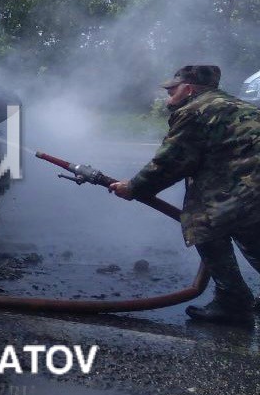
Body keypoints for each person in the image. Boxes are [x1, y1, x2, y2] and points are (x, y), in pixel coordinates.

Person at [109, 65, 260, 327]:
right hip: (249, 186)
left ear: (188, 89)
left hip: (246, 186)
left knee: (203, 221)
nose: (167, 98)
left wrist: (133, 187)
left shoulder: (195, 112)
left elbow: (171, 162)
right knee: (250, 231)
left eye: (171, 91)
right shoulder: (238, 105)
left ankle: (232, 303)